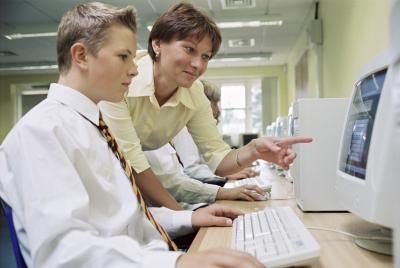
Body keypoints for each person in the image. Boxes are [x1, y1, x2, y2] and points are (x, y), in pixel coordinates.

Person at [0, 3, 264, 267]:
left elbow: (123, 220)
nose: (136, 69)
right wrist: (179, 263)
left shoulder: (93, 127)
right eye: (124, 56)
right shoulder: (42, 132)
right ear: (81, 56)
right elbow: (63, 253)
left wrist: (188, 218)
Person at [98, 2, 312, 209]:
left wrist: (254, 150)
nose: (198, 64)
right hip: (94, 175)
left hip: (127, 184)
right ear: (157, 44)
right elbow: (133, 162)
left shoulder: (194, 92)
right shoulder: (124, 79)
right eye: (189, 49)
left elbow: (218, 158)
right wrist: (185, 217)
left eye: (205, 56)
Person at [172, 79, 260, 185]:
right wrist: (223, 176)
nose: (218, 109)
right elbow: (191, 169)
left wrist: (234, 167)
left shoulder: (202, 127)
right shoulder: (184, 128)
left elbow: (212, 159)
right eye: (214, 103)